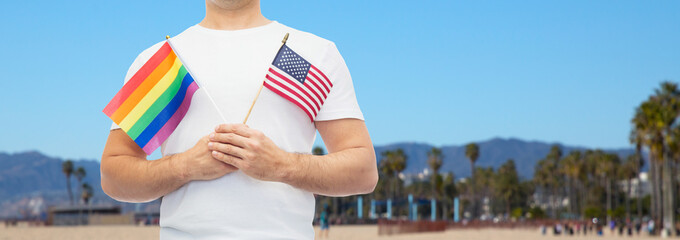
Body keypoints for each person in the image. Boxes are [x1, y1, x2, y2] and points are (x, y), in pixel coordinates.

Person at [100, 0, 378, 239]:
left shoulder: (315, 53)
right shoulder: (161, 60)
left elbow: (363, 171)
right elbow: (113, 175)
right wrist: (184, 166)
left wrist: (281, 165)